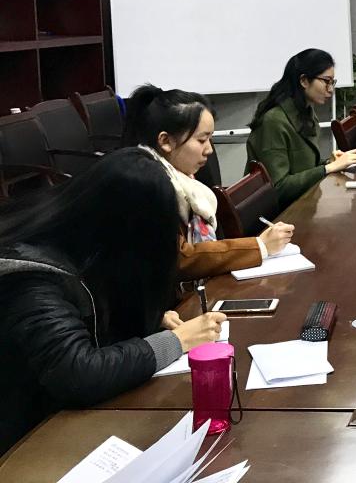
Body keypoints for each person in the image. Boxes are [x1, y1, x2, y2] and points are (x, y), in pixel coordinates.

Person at [0, 148, 228, 455]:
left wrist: (150, 319)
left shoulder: (80, 246)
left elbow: (86, 317)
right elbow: (77, 374)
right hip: (23, 444)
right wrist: (176, 341)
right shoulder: (32, 280)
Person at [124, 85, 295, 279]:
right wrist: (260, 246)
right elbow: (181, 259)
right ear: (165, 141)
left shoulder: (181, 177)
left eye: (210, 139)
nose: (209, 150)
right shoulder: (146, 185)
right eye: (201, 140)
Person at [247, 49, 356, 209]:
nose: (330, 89)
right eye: (326, 81)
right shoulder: (273, 121)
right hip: (278, 214)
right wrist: (327, 168)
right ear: (304, 81)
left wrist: (329, 162)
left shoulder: (305, 111)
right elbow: (278, 188)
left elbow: (303, 167)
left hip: (303, 203)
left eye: (332, 82)